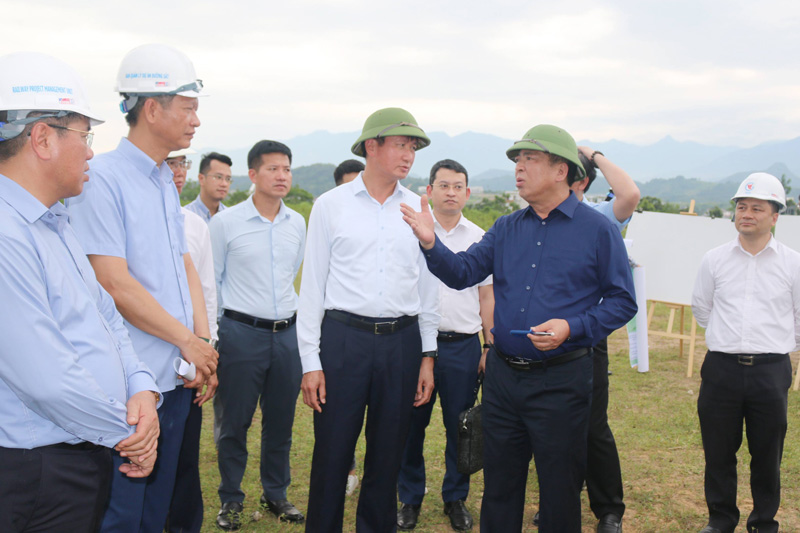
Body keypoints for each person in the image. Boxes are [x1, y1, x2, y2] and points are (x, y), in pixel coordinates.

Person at [400, 124, 637, 532]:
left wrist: (572, 327)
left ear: (561, 170)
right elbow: (463, 271)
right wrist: (431, 243)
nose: (519, 168)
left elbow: (622, 301)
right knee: (500, 486)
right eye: (517, 160)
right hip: (504, 380)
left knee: (560, 488)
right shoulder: (506, 227)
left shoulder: (597, 230)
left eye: (530, 159)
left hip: (562, 380)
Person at [0, 51, 161, 533]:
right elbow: (45, 378)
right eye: (85, 135)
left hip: (82, 448)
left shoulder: (54, 222)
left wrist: (141, 387)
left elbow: (107, 319)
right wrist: (130, 432)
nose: (91, 152)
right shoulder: (7, 234)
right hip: (34, 470)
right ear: (43, 138)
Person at [65, 43, 219, 533]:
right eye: (188, 108)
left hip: (175, 375)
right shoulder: (102, 179)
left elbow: (183, 264)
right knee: (122, 513)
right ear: (152, 109)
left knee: (157, 509)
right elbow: (114, 282)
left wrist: (201, 343)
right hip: (131, 387)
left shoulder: (161, 180)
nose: (196, 120)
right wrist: (187, 341)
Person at [297, 107, 440, 532]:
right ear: (371, 147)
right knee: (332, 451)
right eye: (400, 144)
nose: (408, 154)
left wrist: (427, 355)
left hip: (402, 342)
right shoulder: (330, 205)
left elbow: (428, 288)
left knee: (388, 453)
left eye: (413, 147)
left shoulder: (417, 208)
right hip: (344, 339)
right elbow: (313, 287)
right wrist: (310, 362)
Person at [532, 148, 640, 532]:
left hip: (586, 336)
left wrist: (594, 155)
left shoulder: (599, 218)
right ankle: (557, 501)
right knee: (549, 428)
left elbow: (630, 194)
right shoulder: (536, 216)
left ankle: (608, 510)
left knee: (592, 426)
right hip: (543, 337)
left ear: (579, 181)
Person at [692, 172, 799, 533]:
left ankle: (763, 522)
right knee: (718, 452)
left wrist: (774, 346)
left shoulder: (793, 263)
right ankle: (720, 520)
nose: (747, 214)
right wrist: (728, 339)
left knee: (767, 455)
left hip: (771, 371)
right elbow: (702, 308)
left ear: (775, 216)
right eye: (741, 207)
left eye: (757, 208)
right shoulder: (714, 260)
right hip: (720, 368)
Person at [210, 140, 306, 530]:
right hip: (240, 334)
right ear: (253, 174)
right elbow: (212, 283)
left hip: (286, 335)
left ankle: (275, 493)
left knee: (280, 421)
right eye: (273, 169)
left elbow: (292, 274)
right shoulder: (225, 223)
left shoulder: (297, 223)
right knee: (234, 421)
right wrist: (216, 338)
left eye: (287, 169)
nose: (282, 176)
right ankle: (231, 498)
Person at [397, 159, 494, 532]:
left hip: (462, 345)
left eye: (457, 187)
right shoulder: (411, 232)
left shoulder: (480, 238)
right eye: (443, 185)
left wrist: (488, 345)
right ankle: (409, 497)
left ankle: (455, 498)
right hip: (415, 344)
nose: (451, 193)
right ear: (429, 191)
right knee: (411, 425)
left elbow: (487, 297)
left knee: (461, 427)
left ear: (467, 193)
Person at [165, 148, 218, 533]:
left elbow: (207, 294)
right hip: (144, 362)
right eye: (170, 162)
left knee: (184, 457)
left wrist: (208, 356)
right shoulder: (126, 216)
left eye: (181, 162)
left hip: (189, 363)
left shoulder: (194, 225)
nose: (178, 171)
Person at [332, 156, 367, 497]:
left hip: (388, 337)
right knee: (342, 417)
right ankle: (346, 469)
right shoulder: (332, 217)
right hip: (343, 334)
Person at [185, 151, 233, 222]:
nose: (224, 184)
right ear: (201, 179)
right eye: (219, 177)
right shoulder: (185, 215)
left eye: (228, 179)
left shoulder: (231, 217)